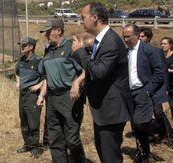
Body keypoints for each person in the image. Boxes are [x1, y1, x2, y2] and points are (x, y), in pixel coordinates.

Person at [72, 2, 133, 163]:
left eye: (83, 17)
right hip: (104, 110)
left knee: (110, 156)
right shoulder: (103, 40)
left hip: (111, 111)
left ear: (95, 18)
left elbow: (99, 72)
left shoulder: (111, 42)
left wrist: (80, 52)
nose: (81, 21)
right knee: (104, 153)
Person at [37, 19, 87, 163]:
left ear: (58, 30)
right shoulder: (48, 50)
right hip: (52, 98)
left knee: (72, 138)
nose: (46, 35)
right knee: (55, 138)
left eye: (48, 31)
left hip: (69, 97)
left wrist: (76, 84)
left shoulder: (72, 47)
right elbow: (46, 76)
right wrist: (42, 95)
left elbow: (87, 70)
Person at [122, 24, 170, 162]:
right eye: (124, 36)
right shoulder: (127, 52)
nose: (126, 39)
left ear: (137, 35)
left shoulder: (150, 50)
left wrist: (147, 90)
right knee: (136, 126)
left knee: (140, 122)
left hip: (143, 91)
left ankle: (161, 129)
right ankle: (143, 154)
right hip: (130, 93)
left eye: (128, 36)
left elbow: (160, 73)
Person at [15, 36, 44, 158]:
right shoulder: (21, 60)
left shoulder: (38, 61)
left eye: (24, 45)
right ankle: (27, 144)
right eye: (21, 45)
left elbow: (46, 77)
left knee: (33, 122)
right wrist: (18, 82)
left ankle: (35, 148)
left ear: (31, 47)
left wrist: (38, 85)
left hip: (33, 95)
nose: (21, 47)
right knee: (24, 120)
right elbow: (17, 73)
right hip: (22, 95)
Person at [161, 37, 173, 119]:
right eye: (161, 43)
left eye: (165, 44)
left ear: (170, 45)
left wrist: (168, 70)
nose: (162, 45)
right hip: (168, 87)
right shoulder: (162, 56)